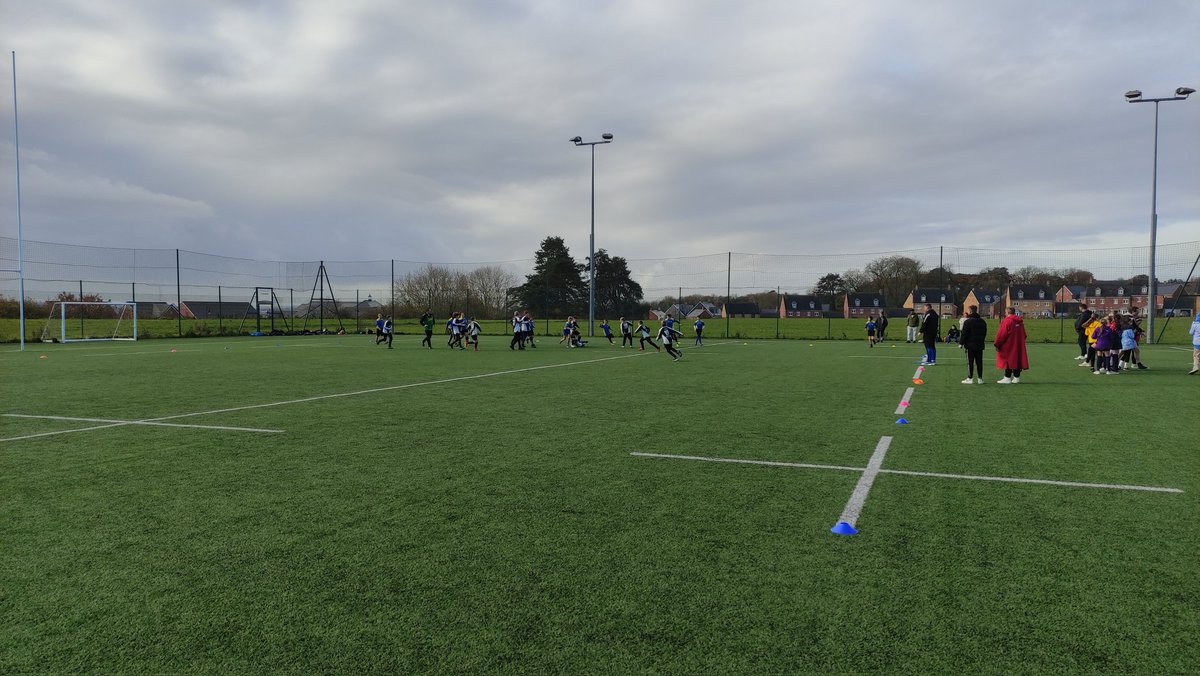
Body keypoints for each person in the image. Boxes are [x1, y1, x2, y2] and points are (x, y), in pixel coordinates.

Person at [993, 307, 1029, 384]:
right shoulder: (1020, 322)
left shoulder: (1007, 321)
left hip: (1008, 345)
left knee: (1008, 360)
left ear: (1007, 312)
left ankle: (1007, 377)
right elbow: (1024, 335)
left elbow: (1002, 334)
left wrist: (997, 344)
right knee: (1017, 359)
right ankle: (1016, 377)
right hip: (1018, 344)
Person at [958, 305, 987, 384]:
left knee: (970, 362)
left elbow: (964, 333)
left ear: (970, 311)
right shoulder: (982, 321)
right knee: (979, 362)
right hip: (980, 344)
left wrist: (961, 343)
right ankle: (980, 379)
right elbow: (984, 333)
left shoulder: (967, 321)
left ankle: (970, 378)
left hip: (970, 345)